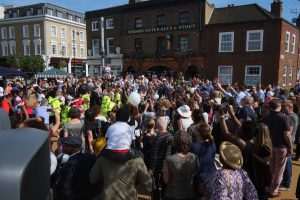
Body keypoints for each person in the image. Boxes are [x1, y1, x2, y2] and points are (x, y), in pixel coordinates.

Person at [263, 99, 292, 198]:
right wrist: (290, 147)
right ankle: (273, 191)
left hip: (270, 146)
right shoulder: (284, 118)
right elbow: (287, 134)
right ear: (279, 106)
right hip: (281, 147)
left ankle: (269, 187)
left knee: (271, 168)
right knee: (279, 170)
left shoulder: (266, 118)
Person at [163, 131, 198, 200]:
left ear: (175, 142)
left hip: (172, 195)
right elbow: (195, 174)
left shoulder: (169, 159)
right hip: (189, 194)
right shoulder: (194, 157)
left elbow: (166, 180)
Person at [150, 116, 174, 200]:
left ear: (158, 125)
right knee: (165, 186)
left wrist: (151, 168)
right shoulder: (171, 136)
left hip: (158, 167)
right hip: (168, 166)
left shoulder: (157, 138)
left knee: (155, 186)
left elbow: (154, 155)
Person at [191, 123, 217, 197]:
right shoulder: (212, 144)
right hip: (213, 175)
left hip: (201, 178)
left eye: (196, 129)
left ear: (198, 133)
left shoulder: (194, 146)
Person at [280, 100, 299, 191]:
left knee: (287, 164)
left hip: (287, 143)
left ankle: (286, 184)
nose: (282, 108)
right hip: (289, 142)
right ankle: (287, 181)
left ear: (290, 107)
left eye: (284, 106)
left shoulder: (290, 117)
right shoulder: (294, 115)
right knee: (288, 163)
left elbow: (288, 133)